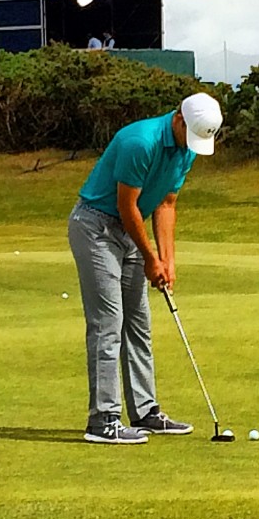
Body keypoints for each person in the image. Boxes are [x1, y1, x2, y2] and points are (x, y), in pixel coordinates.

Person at [68, 92, 224, 444]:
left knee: (138, 322)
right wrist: (150, 258)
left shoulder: (188, 148)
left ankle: (146, 411)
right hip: (96, 227)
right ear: (179, 120)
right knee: (109, 322)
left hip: (128, 228)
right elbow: (127, 206)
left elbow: (167, 203)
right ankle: (103, 420)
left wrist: (168, 260)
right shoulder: (140, 142)